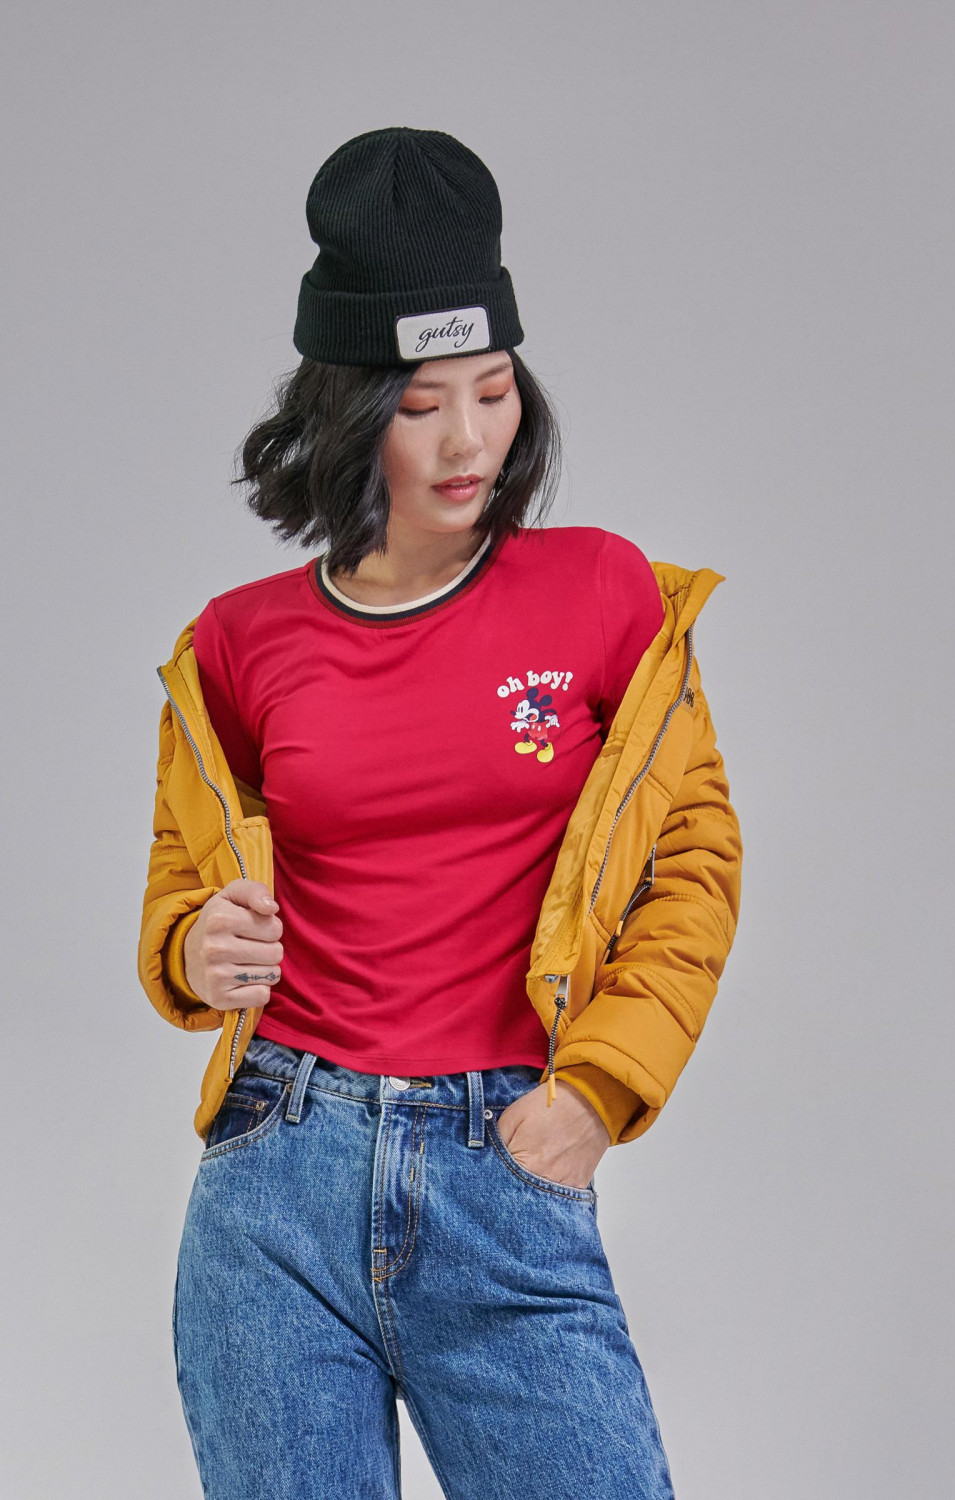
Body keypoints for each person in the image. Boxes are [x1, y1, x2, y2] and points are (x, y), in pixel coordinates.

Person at [137, 127, 743, 1500]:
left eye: (494, 389)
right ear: (347, 412)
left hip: (504, 1167)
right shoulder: (236, 643)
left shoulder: (605, 595)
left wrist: (596, 1091)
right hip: (277, 1178)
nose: (469, 439)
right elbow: (185, 885)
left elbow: (694, 864)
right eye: (421, 403)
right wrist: (194, 947)